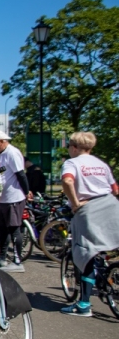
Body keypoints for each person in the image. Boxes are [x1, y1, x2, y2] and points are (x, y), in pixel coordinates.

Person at [60, 132, 119, 316]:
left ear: (74, 147)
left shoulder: (72, 163)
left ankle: (84, 305)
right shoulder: (101, 164)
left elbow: (67, 180)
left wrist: (75, 203)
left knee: (86, 253)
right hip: (110, 206)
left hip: (89, 209)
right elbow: (115, 189)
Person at [0, 130, 30, 273]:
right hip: (4, 198)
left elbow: (20, 174)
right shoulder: (2, 154)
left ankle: (18, 261)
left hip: (14, 197)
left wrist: (26, 192)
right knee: (3, 230)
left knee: (14, 229)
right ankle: (2, 257)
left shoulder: (12, 153)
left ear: (2, 141)